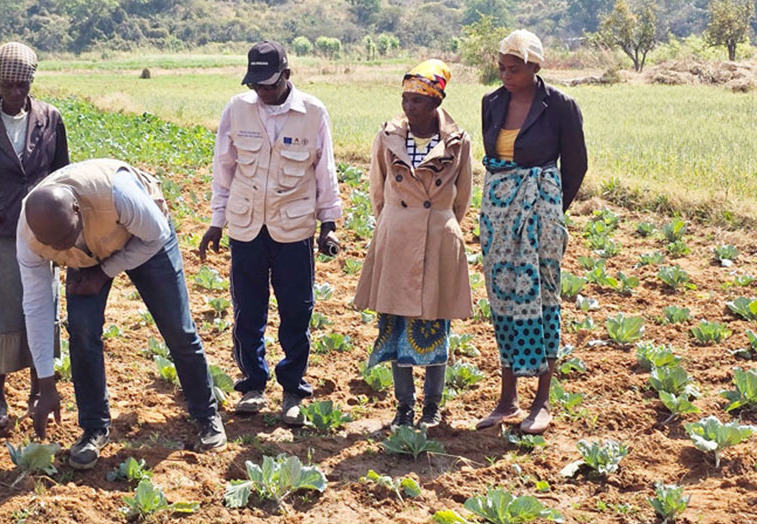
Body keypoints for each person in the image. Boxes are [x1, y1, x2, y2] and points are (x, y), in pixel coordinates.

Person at [22, 158, 227, 470]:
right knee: (82, 332)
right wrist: (47, 384)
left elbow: (156, 234)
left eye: (68, 237)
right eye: (57, 245)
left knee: (177, 329)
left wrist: (104, 273)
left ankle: (206, 414)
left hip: (145, 240)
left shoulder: (118, 193)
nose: (65, 246)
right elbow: (36, 305)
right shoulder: (31, 236)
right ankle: (94, 428)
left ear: (77, 210)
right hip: (87, 260)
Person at [199, 40, 342, 425]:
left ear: (287, 76)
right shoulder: (237, 109)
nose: (262, 92)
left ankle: (292, 387)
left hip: (293, 227)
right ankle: (253, 383)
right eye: (256, 85)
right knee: (248, 308)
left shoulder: (312, 113)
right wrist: (216, 221)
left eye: (270, 84)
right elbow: (223, 168)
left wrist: (329, 224)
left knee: (296, 309)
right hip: (246, 225)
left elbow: (324, 171)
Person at [475, 30, 587, 434]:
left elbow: (575, 166)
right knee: (502, 298)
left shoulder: (559, 106)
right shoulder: (491, 103)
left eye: (514, 69)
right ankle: (507, 400)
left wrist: (549, 209)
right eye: (502, 68)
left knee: (543, 301)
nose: (505, 75)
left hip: (540, 214)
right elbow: (493, 159)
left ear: (535, 68)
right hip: (497, 215)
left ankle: (542, 401)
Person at [353, 59, 472, 430]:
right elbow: (378, 187)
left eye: (418, 101)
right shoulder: (388, 134)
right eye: (405, 99)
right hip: (397, 237)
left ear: (437, 102)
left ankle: (432, 408)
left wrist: (439, 224)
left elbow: (462, 197)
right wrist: (394, 222)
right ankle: (404, 407)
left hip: (437, 239)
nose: (409, 107)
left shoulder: (458, 141)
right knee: (395, 325)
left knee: (435, 325)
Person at [0, 42, 69, 430]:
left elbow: (64, 179)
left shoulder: (50, 119)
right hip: (2, 233)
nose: (16, 93)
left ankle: (37, 391)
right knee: (3, 316)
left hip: (42, 233)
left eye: (23, 85)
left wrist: (65, 241)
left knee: (41, 311)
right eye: (8, 85)